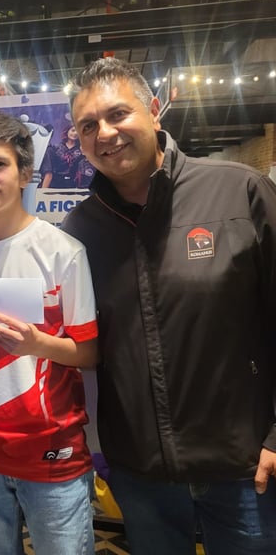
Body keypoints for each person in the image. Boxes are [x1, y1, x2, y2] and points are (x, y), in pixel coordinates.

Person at [61, 57, 276, 555]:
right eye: (88, 125)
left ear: (154, 110)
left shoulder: (240, 193)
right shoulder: (80, 231)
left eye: (118, 114)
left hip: (244, 467)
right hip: (142, 474)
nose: (105, 133)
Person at [0, 112, 99, 555]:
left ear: (25, 173)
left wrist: (36, 344)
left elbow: (89, 352)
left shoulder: (62, 252)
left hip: (52, 452)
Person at [40, 124, 94, 189]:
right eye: (73, 130)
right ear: (67, 131)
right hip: (56, 183)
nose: (75, 133)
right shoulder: (56, 148)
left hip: (74, 184)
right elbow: (49, 170)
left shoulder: (82, 150)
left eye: (78, 132)